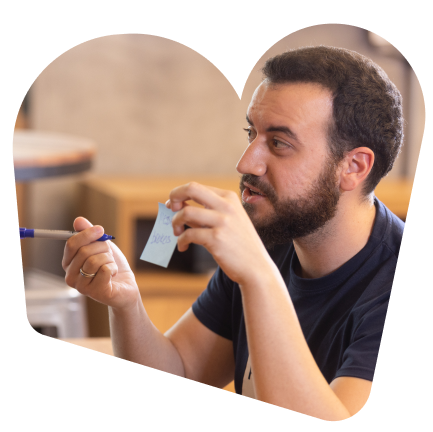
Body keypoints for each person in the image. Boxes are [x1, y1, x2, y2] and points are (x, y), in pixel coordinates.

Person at [62, 46, 405, 421]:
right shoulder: (268, 237)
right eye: (251, 133)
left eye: (278, 143)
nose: (245, 162)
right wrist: (126, 304)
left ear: (353, 167)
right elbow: (182, 368)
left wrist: (258, 275)